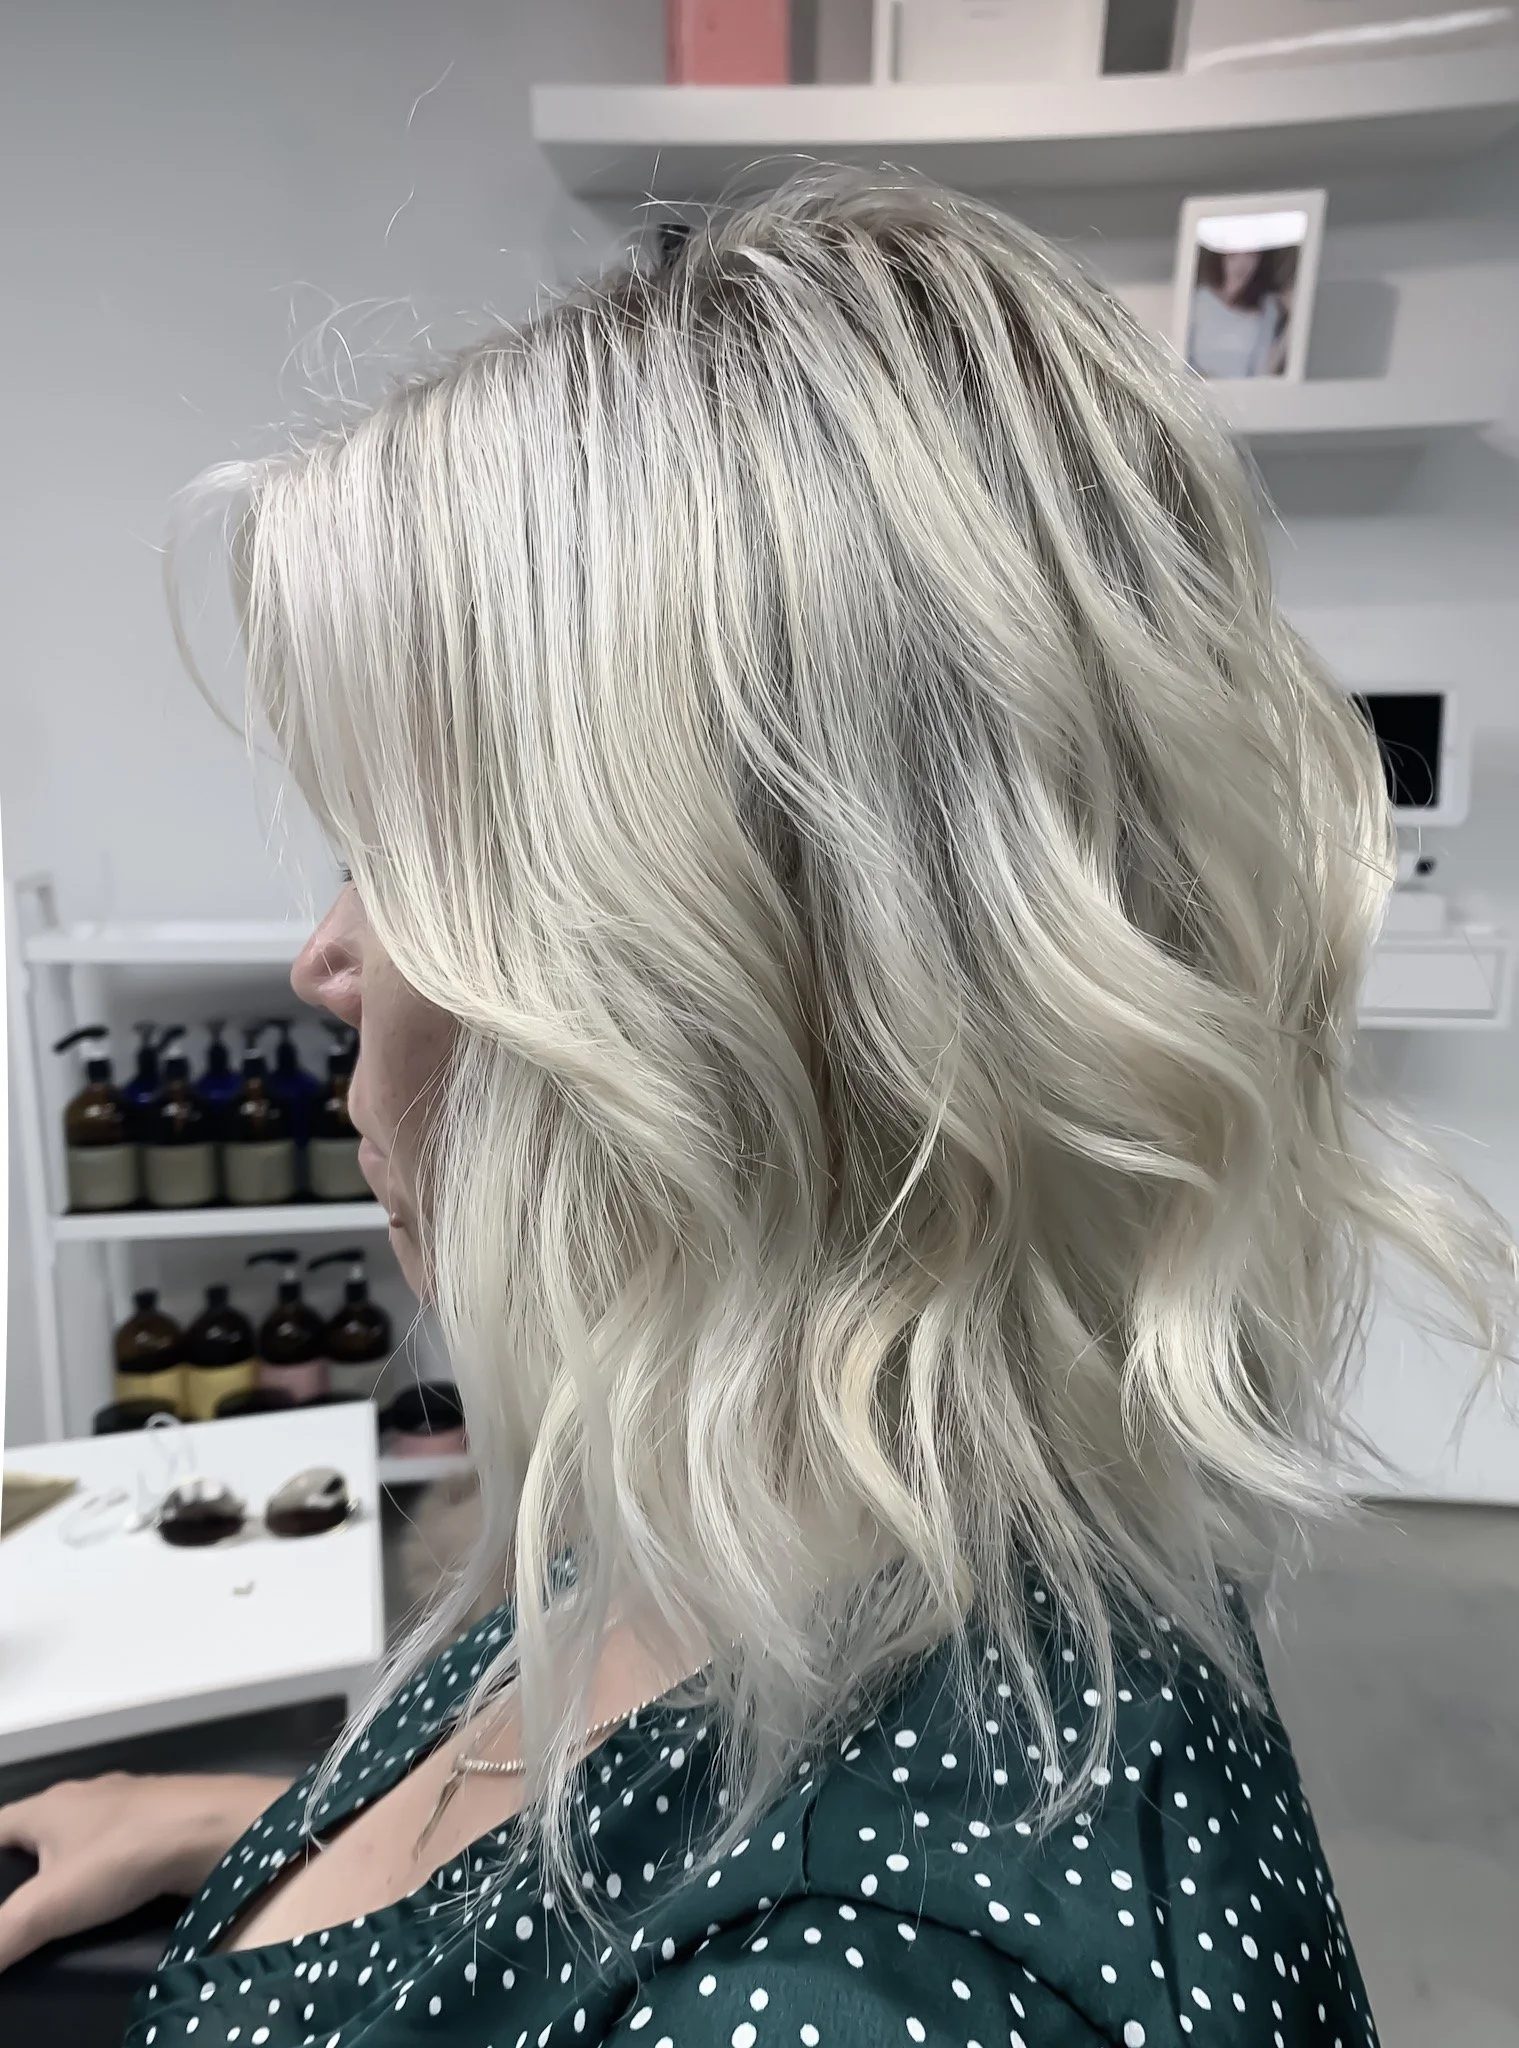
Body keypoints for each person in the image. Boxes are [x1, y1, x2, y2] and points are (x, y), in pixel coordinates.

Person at [4, 164, 1517, 2047]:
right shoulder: (796, 1480)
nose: (326, 960)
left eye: (393, 857)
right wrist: (272, 1842)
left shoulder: (863, 1994)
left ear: (685, 987)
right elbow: (614, 1851)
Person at [1186, 243, 1293, 379]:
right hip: (1196, 391)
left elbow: (1263, 371)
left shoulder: (1268, 306)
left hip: (1240, 394)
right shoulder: (1198, 300)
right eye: (1234, 255)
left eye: (1251, 255)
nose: (1242, 264)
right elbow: (1180, 356)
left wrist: (1292, 323)